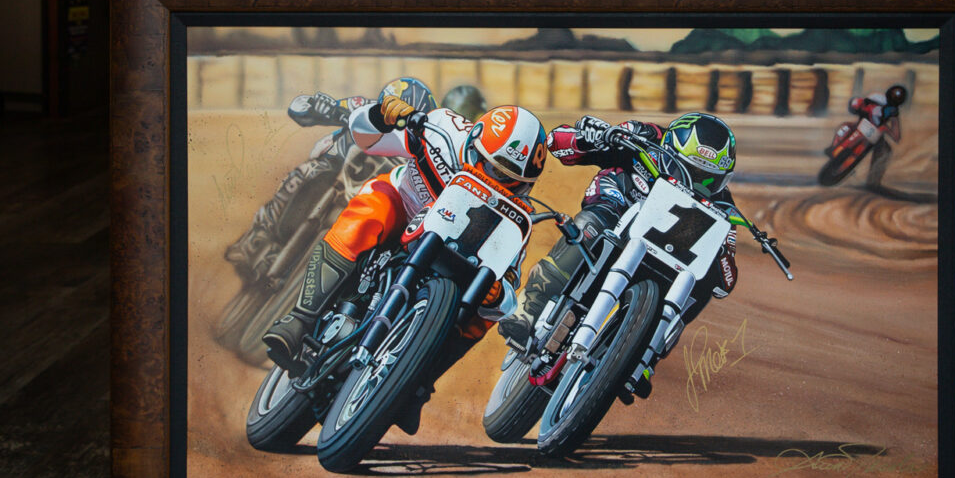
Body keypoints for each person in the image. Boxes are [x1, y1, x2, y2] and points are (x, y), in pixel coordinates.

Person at [262, 88, 549, 380]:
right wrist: (380, 117)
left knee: (481, 313)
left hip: (454, 257)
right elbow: (369, 140)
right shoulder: (442, 128)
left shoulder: (518, 217)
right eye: (494, 169)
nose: (501, 183)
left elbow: (509, 291)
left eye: (516, 182)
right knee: (375, 201)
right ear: (474, 145)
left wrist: (496, 296)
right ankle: (300, 318)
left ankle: (419, 385)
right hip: (403, 207)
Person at [498, 111, 741, 348]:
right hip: (617, 205)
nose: (694, 186)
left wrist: (719, 255)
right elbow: (557, 141)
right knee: (592, 224)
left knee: (697, 284)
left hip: (664, 256)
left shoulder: (724, 207)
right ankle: (530, 306)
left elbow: (724, 285)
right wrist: (588, 138)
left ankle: (648, 352)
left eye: (708, 180)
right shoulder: (644, 136)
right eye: (687, 171)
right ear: (669, 150)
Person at [224, 78, 435, 281]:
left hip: (376, 193)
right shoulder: (362, 107)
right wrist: (322, 107)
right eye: (393, 112)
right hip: (335, 165)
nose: (399, 122)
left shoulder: (431, 145)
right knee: (309, 171)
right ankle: (257, 235)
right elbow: (298, 108)